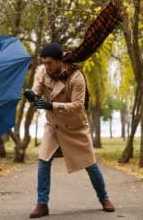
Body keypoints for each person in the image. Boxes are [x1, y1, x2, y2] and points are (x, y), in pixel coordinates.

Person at [24, 43, 115, 218]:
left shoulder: (76, 77)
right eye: (44, 62)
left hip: (75, 127)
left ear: (60, 61)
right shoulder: (43, 71)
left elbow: (78, 106)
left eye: (50, 63)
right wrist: (32, 96)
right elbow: (37, 91)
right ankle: (42, 204)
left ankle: (104, 198)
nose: (46, 66)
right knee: (43, 160)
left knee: (90, 163)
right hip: (54, 125)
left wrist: (51, 105)